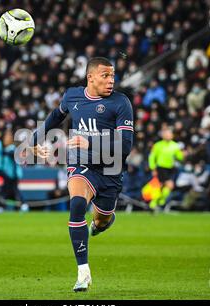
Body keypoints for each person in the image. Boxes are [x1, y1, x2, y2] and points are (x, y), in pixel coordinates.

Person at [29, 57, 133, 292]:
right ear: (91, 77)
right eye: (105, 75)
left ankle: (102, 221)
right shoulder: (73, 96)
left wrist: (90, 142)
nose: (111, 80)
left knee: (101, 219)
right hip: (81, 164)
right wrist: (34, 141)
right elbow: (55, 117)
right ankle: (83, 273)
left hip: (110, 169)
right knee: (76, 204)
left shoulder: (121, 103)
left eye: (113, 75)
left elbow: (125, 147)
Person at [148, 128, 185, 210]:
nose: (168, 136)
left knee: (163, 187)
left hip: (171, 168)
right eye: (167, 134)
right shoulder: (158, 145)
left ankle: (155, 202)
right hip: (161, 168)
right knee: (168, 185)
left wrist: (183, 154)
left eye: (170, 134)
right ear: (163, 136)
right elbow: (152, 157)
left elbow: (180, 157)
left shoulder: (175, 145)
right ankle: (160, 202)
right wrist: (153, 168)